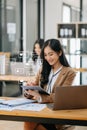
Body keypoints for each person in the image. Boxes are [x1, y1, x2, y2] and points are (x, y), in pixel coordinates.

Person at [24, 39, 76, 130]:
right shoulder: (43, 69)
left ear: (59, 53)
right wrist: (29, 89)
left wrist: (40, 96)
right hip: (42, 111)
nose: (48, 58)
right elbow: (34, 88)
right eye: (45, 55)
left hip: (56, 116)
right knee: (29, 120)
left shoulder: (69, 73)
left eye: (51, 54)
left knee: (31, 123)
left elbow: (61, 98)